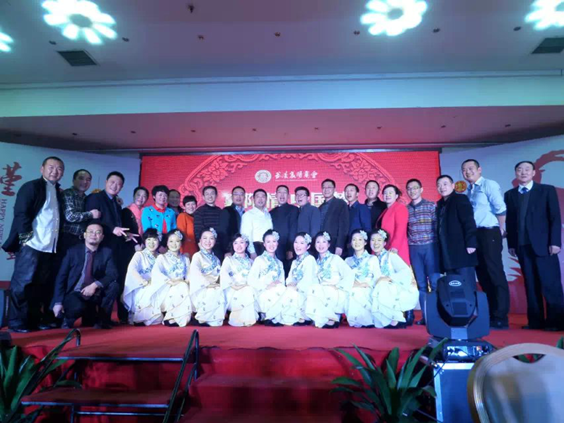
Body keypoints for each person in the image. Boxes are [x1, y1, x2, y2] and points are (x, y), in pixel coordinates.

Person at [3, 157, 65, 332]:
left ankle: (33, 320)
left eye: (59, 168)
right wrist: (25, 239)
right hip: (32, 244)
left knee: (39, 286)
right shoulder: (31, 187)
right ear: (42, 169)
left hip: (49, 246)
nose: (55, 171)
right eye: (51, 167)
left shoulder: (58, 191)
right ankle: (16, 322)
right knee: (22, 284)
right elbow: (21, 213)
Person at [505, 161, 563, 331]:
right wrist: (511, 244)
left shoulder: (546, 190)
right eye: (519, 170)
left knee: (550, 283)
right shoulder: (510, 194)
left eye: (527, 169)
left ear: (533, 173)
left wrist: (555, 242)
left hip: (544, 245)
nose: (523, 172)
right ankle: (535, 321)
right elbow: (510, 222)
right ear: (515, 173)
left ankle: (556, 322)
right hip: (522, 245)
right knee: (530, 284)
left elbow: (555, 217)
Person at [462, 159, 510, 330]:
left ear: (479, 169)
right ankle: (491, 313)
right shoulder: (469, 190)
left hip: (489, 232)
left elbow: (500, 208)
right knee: (482, 275)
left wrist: (500, 229)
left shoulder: (489, 184)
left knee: (494, 272)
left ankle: (501, 316)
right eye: (464, 170)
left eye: (471, 168)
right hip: (475, 235)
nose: (468, 172)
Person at [86, 171, 138, 324]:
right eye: (112, 182)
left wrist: (125, 234)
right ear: (106, 182)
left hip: (114, 248)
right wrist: (111, 229)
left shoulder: (116, 202)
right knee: (96, 279)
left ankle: (104, 318)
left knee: (112, 281)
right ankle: (91, 318)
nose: (115, 186)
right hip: (100, 247)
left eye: (119, 184)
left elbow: (117, 225)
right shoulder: (95, 198)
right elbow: (92, 223)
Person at [51, 221, 119, 330]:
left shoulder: (107, 252)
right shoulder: (72, 252)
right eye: (90, 232)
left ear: (102, 237)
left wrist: (95, 285)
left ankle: (102, 320)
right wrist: (58, 302)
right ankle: (67, 319)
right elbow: (61, 278)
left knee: (114, 286)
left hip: (95, 293)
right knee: (77, 306)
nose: (94, 235)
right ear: (84, 235)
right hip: (75, 293)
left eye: (98, 232)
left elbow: (113, 274)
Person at [405, 179, 440, 326]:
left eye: (415, 188)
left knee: (435, 282)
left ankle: (438, 316)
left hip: (430, 247)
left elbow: (437, 227)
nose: (412, 191)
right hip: (414, 248)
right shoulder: (405, 209)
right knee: (421, 284)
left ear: (421, 189)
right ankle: (426, 316)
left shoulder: (431, 206)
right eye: (409, 188)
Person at [436, 175, 478, 289]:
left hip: (462, 251)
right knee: (454, 289)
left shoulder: (460, 199)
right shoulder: (439, 204)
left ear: (453, 185)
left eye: (445, 184)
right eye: (439, 185)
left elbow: (468, 221)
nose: (442, 187)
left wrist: (471, 243)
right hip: (448, 255)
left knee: (467, 287)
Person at [370, 229, 418, 329]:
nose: (376, 243)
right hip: (377, 286)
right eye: (373, 240)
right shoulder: (370, 259)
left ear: (384, 243)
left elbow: (405, 271)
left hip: (392, 285)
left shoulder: (390, 255)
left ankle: (396, 318)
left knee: (382, 286)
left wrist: (388, 278)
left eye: (379, 240)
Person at [305, 231, 354, 328]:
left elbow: (349, 274)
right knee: (313, 289)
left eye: (324, 242)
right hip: (321, 290)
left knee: (324, 291)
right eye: (318, 242)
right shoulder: (315, 262)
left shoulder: (335, 258)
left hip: (335, 290)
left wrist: (338, 286)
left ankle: (332, 318)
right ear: (314, 244)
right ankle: (324, 317)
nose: (321, 245)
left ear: (329, 244)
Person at [147, 230, 192, 327]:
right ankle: (170, 317)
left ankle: (179, 317)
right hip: (167, 288)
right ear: (167, 243)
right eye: (171, 241)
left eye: (177, 241)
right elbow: (156, 273)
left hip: (182, 286)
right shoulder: (162, 258)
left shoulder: (185, 259)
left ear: (181, 243)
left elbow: (189, 275)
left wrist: (185, 282)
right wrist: (171, 281)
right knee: (182, 287)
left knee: (184, 287)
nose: (174, 244)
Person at [122, 228, 162, 326]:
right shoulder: (139, 254)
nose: (151, 243)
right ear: (144, 241)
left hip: (157, 286)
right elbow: (132, 269)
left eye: (154, 240)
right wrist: (144, 282)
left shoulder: (161, 257)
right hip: (141, 286)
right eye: (149, 239)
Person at [248, 230, 287, 326]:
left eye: (274, 241)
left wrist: (277, 284)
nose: (271, 244)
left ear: (277, 243)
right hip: (263, 292)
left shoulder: (280, 263)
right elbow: (251, 280)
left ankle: (270, 316)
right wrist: (266, 285)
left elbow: (282, 281)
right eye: (268, 242)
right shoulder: (259, 260)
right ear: (264, 244)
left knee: (284, 290)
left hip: (277, 291)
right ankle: (268, 315)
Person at [189, 228, 226, 327]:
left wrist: (217, 283)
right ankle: (201, 318)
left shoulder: (216, 259)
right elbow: (195, 272)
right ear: (200, 240)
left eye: (211, 238)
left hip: (215, 285)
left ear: (215, 241)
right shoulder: (197, 256)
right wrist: (207, 284)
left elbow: (220, 275)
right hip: (201, 287)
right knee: (214, 291)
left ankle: (211, 319)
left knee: (219, 290)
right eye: (205, 238)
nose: (208, 241)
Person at [220, 233, 258, 327]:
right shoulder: (229, 260)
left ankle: (247, 319)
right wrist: (234, 285)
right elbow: (224, 274)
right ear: (233, 245)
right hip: (233, 288)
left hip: (248, 288)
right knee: (246, 291)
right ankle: (238, 319)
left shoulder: (251, 262)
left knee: (249, 290)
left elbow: (255, 278)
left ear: (246, 244)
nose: (238, 245)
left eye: (241, 242)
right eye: (235, 243)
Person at [60, 169, 101, 254]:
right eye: (81, 178)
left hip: (81, 239)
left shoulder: (86, 198)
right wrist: (91, 214)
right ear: (73, 180)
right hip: (66, 238)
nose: (85, 182)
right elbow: (70, 216)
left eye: (88, 180)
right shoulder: (68, 193)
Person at [345, 229, 379, 328]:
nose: (357, 242)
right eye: (354, 240)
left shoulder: (372, 259)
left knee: (358, 291)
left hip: (367, 287)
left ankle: (366, 319)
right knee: (353, 291)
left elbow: (377, 277)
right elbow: (345, 279)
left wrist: (367, 284)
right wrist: (355, 284)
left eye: (360, 239)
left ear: (365, 242)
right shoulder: (347, 261)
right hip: (353, 286)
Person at [285, 232, 318, 326]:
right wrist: (290, 283)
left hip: (306, 292)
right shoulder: (295, 262)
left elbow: (308, 281)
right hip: (294, 290)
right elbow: (289, 278)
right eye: (296, 242)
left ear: (308, 246)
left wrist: (295, 286)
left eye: (302, 243)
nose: (298, 245)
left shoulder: (310, 259)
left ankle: (304, 315)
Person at [376, 185, 410, 265]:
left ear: (396, 196)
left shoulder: (400, 208)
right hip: (385, 248)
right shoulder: (385, 211)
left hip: (396, 249)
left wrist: (395, 247)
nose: (387, 195)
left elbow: (400, 229)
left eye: (390, 193)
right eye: (385, 193)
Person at [270, 185, 299, 275]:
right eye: (280, 192)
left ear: (288, 196)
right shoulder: (271, 212)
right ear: (276, 195)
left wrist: (290, 249)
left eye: (284, 193)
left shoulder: (294, 209)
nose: (282, 195)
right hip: (274, 249)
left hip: (288, 249)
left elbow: (293, 229)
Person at [318, 179, 349, 256]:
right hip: (322, 245)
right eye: (324, 187)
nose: (326, 190)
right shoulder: (320, 207)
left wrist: (340, 245)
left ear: (334, 189)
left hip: (334, 244)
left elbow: (344, 226)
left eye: (329, 187)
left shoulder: (341, 203)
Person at [241, 189, 273, 259]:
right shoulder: (248, 215)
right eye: (258, 196)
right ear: (253, 199)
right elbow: (245, 235)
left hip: (269, 247)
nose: (260, 199)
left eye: (263, 197)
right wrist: (252, 252)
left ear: (266, 199)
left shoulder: (268, 214)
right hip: (256, 247)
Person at [193, 186, 222, 258]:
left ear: (216, 196)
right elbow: (197, 231)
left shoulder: (221, 211)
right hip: (206, 247)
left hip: (219, 247)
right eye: (207, 194)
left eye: (212, 193)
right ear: (203, 197)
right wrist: (202, 247)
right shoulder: (199, 212)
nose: (210, 196)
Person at [344, 183, 372, 256]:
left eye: (351, 190)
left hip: (358, 247)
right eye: (346, 191)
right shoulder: (344, 209)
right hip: (345, 247)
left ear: (357, 194)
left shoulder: (362, 208)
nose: (348, 193)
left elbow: (367, 229)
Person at [218, 186, 246, 258]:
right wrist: (227, 250)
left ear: (244, 197)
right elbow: (222, 232)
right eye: (236, 194)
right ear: (232, 197)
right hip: (230, 250)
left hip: (242, 249)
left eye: (241, 194)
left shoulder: (245, 213)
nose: (238, 197)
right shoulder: (226, 211)